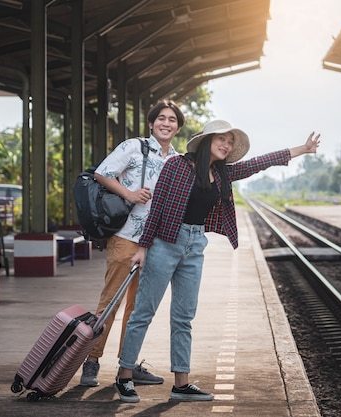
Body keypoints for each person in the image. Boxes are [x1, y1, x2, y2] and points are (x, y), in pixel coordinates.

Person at [113, 119, 321, 403]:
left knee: (184, 317)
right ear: (206, 141)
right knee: (143, 312)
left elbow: (261, 162)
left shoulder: (222, 174)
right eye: (221, 139)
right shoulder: (176, 166)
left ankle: (181, 384)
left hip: (195, 245)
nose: (227, 144)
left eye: (230, 141)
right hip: (165, 243)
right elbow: (157, 207)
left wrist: (303, 149)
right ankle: (125, 375)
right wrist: (143, 247)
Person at [79, 99, 186, 387]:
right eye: (161, 118)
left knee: (137, 309)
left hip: (154, 243)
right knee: (110, 301)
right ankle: (91, 361)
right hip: (126, 236)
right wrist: (128, 194)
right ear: (151, 123)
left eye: (172, 119)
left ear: (178, 127)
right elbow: (102, 172)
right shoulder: (134, 146)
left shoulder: (176, 160)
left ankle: (127, 366)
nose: (166, 123)